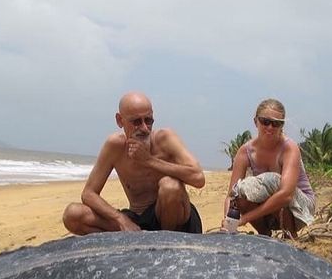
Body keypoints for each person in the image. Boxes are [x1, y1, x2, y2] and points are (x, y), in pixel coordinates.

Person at [63, 91, 205, 235]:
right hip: (138, 221)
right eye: (136, 122)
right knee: (73, 215)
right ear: (120, 120)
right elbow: (89, 193)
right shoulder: (115, 146)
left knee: (170, 186)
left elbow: (198, 178)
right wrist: (120, 219)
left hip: (175, 221)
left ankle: (165, 242)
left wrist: (149, 160)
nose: (144, 128)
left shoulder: (165, 138)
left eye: (148, 120)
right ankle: (140, 237)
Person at [223, 98, 316, 238]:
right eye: (265, 122)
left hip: (300, 208)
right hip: (269, 210)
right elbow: (232, 194)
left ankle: (290, 236)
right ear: (256, 122)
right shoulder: (245, 151)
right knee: (239, 193)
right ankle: (264, 234)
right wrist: (228, 221)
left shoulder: (289, 147)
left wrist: (244, 219)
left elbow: (286, 194)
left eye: (276, 123)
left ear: (281, 126)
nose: (270, 127)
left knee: (273, 181)